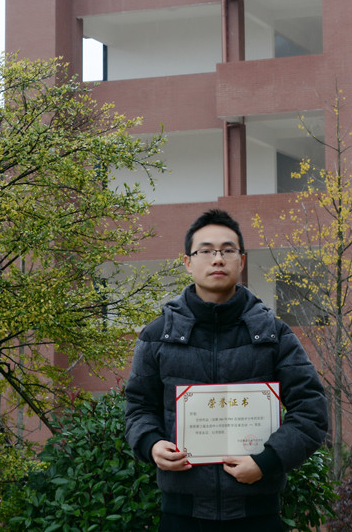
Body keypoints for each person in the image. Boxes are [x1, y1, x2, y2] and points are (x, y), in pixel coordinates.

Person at [125, 209, 329, 532]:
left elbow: (312, 410)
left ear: (241, 261)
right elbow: (138, 407)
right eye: (206, 251)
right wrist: (151, 444)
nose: (217, 259)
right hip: (181, 516)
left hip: (258, 515)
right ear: (188, 262)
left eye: (227, 250)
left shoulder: (273, 334)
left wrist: (265, 462)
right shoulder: (157, 335)